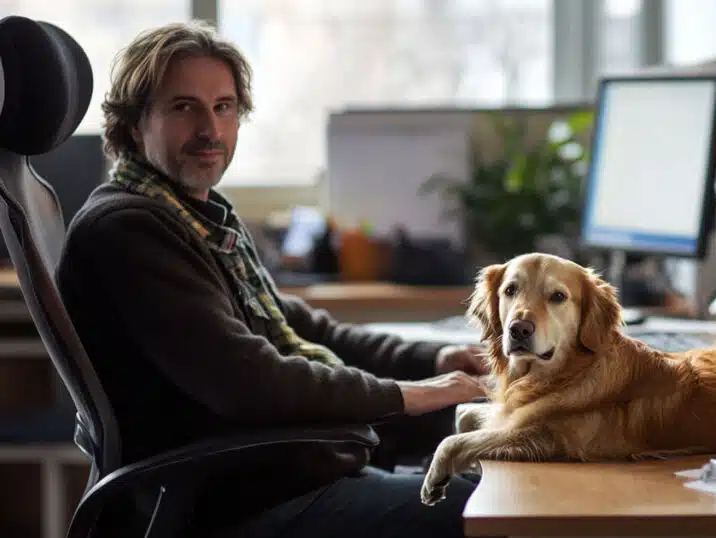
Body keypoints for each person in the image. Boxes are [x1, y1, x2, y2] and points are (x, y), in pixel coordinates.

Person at [56, 20, 489, 538]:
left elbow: (306, 329)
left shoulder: (198, 217)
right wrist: (405, 394)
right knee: (490, 506)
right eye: (183, 107)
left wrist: (432, 362)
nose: (210, 130)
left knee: (485, 454)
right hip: (233, 501)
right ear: (132, 124)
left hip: (273, 472)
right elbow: (250, 379)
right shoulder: (128, 231)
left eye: (224, 107)